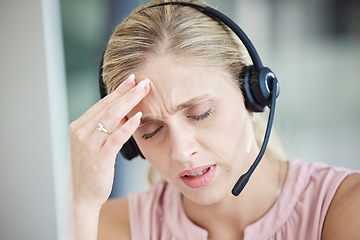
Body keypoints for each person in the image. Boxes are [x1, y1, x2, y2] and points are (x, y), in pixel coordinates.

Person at [69, 0, 360, 239]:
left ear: (254, 94)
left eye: (201, 113)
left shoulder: (344, 208)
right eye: (151, 131)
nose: (181, 152)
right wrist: (83, 203)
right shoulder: (110, 226)